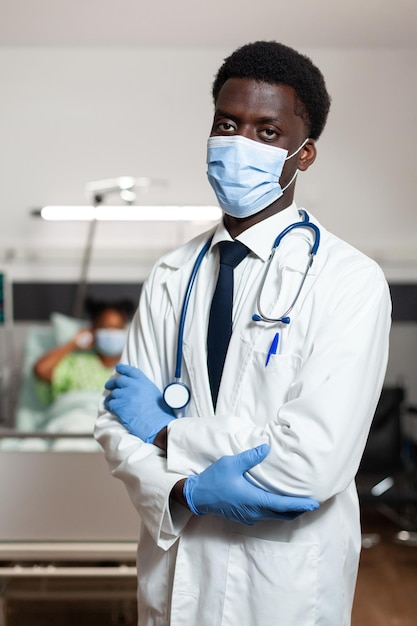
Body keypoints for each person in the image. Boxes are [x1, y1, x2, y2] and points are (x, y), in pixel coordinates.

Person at [95, 41, 391, 625]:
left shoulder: (349, 281)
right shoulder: (171, 274)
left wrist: (166, 432)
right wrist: (183, 495)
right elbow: (114, 426)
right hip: (174, 577)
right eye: (227, 124)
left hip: (279, 587)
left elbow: (312, 462)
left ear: (303, 155)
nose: (239, 145)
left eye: (266, 131)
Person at [34, 298, 134, 400]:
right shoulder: (76, 362)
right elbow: (41, 370)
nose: (111, 333)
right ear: (93, 329)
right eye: (105, 326)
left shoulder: (131, 368)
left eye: (117, 327)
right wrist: (73, 343)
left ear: (125, 331)